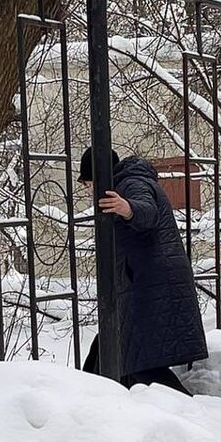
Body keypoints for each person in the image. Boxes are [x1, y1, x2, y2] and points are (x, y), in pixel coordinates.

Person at [80, 147, 207, 394]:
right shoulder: (126, 184)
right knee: (111, 350)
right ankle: (91, 403)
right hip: (145, 283)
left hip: (153, 285)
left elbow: (147, 212)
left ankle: (194, 413)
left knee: (137, 363)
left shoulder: (132, 183)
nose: (89, 190)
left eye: (88, 183)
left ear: (98, 176)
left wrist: (128, 208)